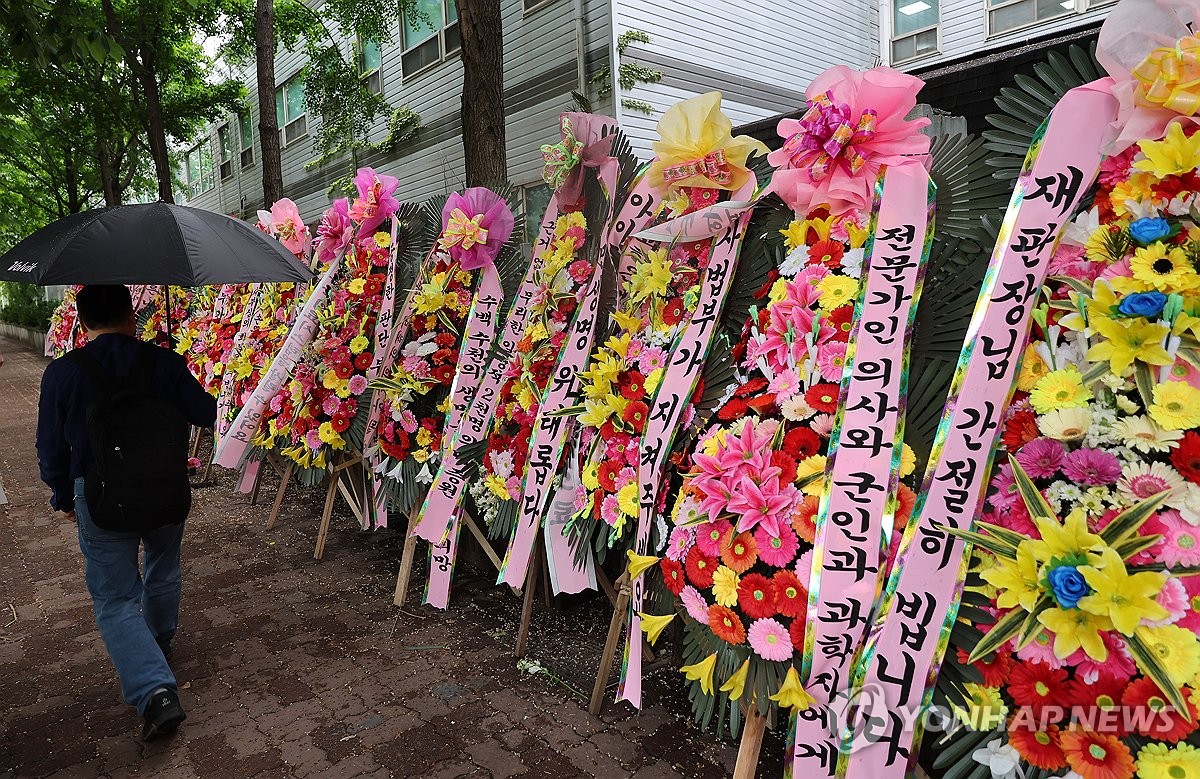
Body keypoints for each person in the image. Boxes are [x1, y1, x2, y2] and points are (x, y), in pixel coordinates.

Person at [36, 285, 216, 741]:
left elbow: (50, 447)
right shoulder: (165, 362)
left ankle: (154, 691)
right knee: (163, 568)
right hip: (165, 489)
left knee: (114, 597)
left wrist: (62, 495)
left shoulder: (63, 373)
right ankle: (157, 642)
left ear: (81, 322)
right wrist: (170, 375)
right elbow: (207, 413)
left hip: (99, 496)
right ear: (131, 316)